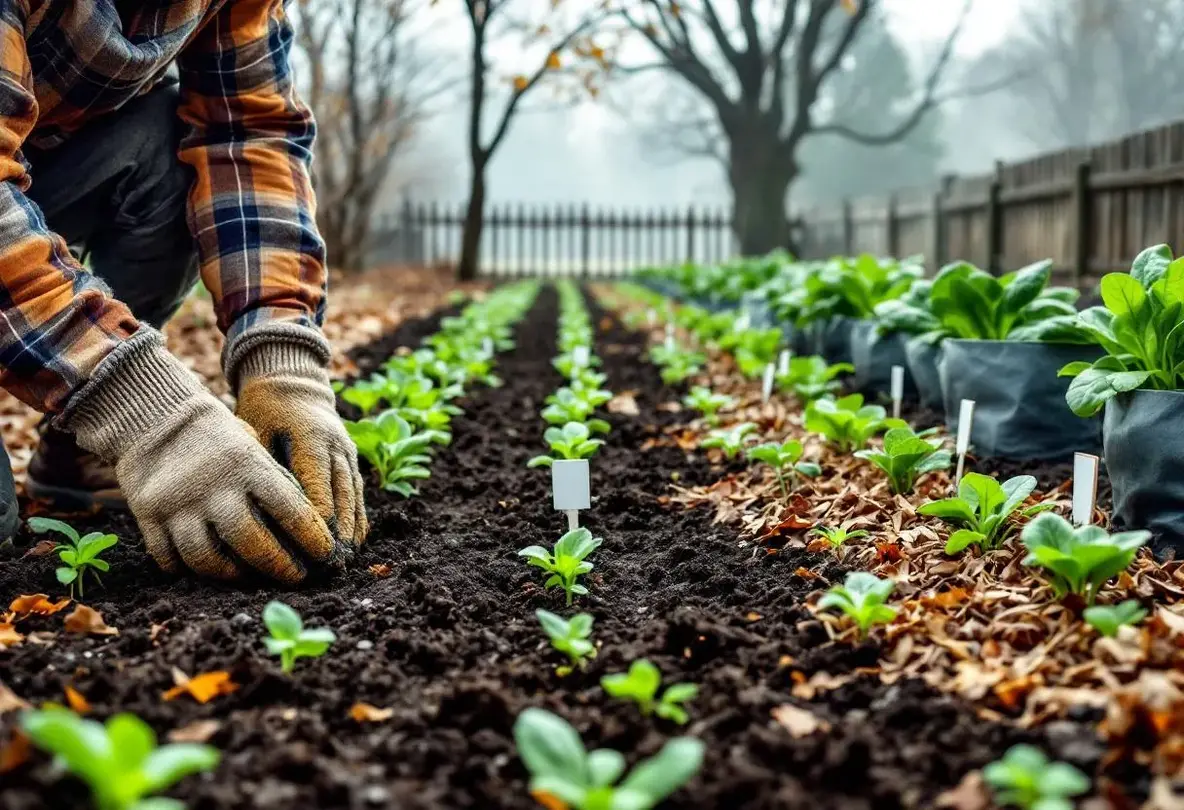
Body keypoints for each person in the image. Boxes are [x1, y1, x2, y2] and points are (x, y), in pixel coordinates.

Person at [0, 1, 368, 583]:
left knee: (168, 146)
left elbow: (248, 132)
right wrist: (144, 413)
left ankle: (76, 452)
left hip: (33, 173)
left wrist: (283, 360)